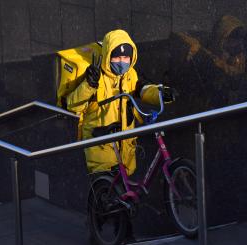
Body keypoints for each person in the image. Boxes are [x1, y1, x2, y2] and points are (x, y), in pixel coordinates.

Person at [66, 29, 176, 176]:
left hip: (126, 147)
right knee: (107, 189)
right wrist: (89, 85)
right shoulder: (97, 75)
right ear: (107, 56)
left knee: (126, 190)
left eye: (126, 57)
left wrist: (161, 94)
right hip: (101, 145)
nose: (122, 61)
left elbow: (143, 89)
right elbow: (73, 105)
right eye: (117, 58)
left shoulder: (130, 75)